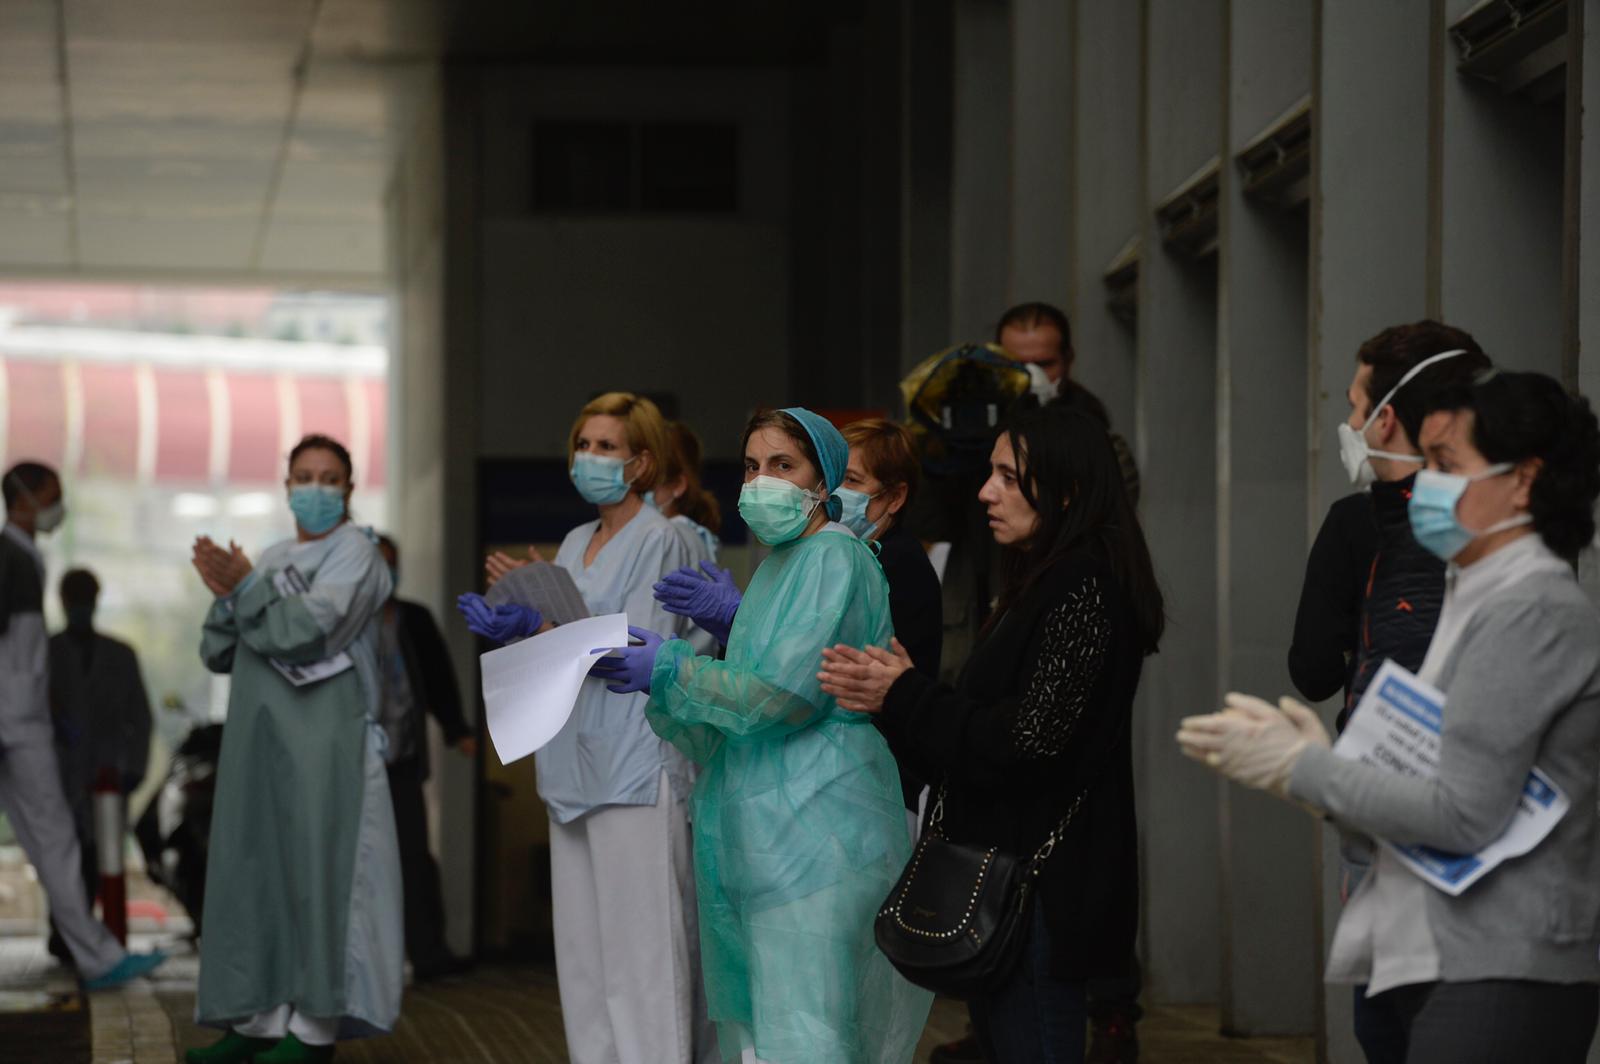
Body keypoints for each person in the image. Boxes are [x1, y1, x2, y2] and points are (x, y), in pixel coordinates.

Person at [1180, 370, 1600, 1064]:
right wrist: (1327, 777)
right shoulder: (1482, 593)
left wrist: (1305, 769)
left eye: (1445, 465)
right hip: (1456, 956)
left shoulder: (1528, 609)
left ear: (1522, 481)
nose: (1424, 486)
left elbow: (1464, 814)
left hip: (1499, 966)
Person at [819, 405, 1165, 1064]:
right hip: (1010, 878)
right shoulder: (1042, 576)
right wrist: (898, 695)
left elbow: (1027, 742)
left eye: (1008, 476)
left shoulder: (1081, 584)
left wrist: (906, 693)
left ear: (1064, 489)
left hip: (1039, 890)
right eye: (990, 472)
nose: (985, 491)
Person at [592, 407, 934, 1063]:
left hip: (819, 830)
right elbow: (743, 708)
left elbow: (781, 696)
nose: (761, 481)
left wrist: (675, 670)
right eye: (752, 465)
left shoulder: (834, 557)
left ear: (823, 478)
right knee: (767, 1035)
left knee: (808, 1034)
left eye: (783, 465)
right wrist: (673, 682)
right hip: (773, 831)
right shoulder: (785, 563)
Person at [459, 392, 700, 1064]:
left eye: (606, 447)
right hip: (572, 765)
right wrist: (525, 622)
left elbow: (638, 645)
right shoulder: (572, 542)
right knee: (586, 964)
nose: (589, 458)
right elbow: (566, 642)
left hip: (635, 764)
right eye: (582, 445)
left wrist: (549, 624)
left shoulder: (664, 537)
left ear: (642, 461)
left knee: (644, 961)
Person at [1287, 323, 1490, 1062]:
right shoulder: (1512, 529)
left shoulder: (1360, 524)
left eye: (1353, 405)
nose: (1347, 425)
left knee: (1392, 1025)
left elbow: (1311, 667)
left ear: (1388, 416)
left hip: (1403, 822)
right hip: (1468, 831)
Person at [187, 434, 401, 1064]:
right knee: (253, 876)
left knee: (319, 878)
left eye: (329, 478)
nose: (315, 488)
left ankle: (313, 1030)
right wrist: (229, 593)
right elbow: (216, 651)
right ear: (285, 486)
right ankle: (254, 1020)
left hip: (324, 746)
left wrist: (247, 590)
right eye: (303, 476)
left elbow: (303, 631)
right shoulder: (274, 555)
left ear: (350, 489)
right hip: (258, 745)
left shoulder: (357, 556)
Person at [0, 462, 164, 990]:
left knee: (52, 841)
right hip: (14, 726)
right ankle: (98, 957)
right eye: (52, 496)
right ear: (23, 498)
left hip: (19, 721)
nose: (58, 506)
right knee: (56, 840)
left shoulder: (22, 558)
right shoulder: (11, 560)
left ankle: (97, 955)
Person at [373, 535, 475, 982]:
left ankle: (427, 953)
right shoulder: (338, 620)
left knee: (412, 860)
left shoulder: (411, 619)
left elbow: (437, 678)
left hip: (401, 761)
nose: (385, 573)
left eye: (391, 564)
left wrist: (457, 730)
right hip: (351, 769)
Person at [47, 568, 153, 962]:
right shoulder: (47, 653)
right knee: (63, 854)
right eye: (74, 599)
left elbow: (140, 720)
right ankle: (65, 935)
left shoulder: (120, 656)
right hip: (60, 776)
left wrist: (134, 771)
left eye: (85, 598)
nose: (80, 607)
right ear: (63, 602)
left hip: (109, 777)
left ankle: (104, 936)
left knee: (103, 857)